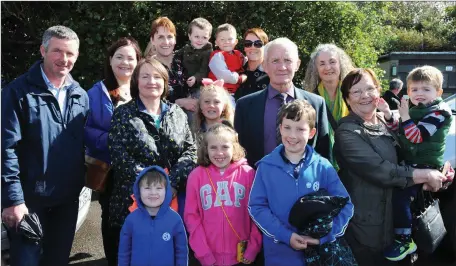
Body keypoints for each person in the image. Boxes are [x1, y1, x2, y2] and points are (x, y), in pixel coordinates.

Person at [334, 68, 450, 266]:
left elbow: (414, 148)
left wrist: (441, 173)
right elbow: (384, 171)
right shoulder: (348, 132)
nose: (365, 96)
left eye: (370, 89)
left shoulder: (384, 120)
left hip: (401, 221)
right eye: (356, 91)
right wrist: (425, 174)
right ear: (346, 98)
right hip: (370, 226)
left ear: (379, 91)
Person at [1, 25, 89, 266]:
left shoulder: (80, 95)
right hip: (29, 203)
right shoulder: (16, 93)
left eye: (70, 53)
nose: (65, 59)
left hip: (66, 202)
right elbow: (5, 149)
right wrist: (13, 200)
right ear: (43, 50)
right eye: (57, 51)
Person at [108, 58, 197, 261]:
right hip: (131, 204)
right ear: (136, 81)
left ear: (165, 81)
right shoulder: (123, 114)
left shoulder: (177, 113)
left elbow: (190, 151)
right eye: (145, 76)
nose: (151, 81)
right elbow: (118, 154)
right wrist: (149, 186)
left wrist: (171, 184)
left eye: (157, 76)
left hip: (173, 202)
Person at [248, 99, 354, 266]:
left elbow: (346, 206)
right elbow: (256, 207)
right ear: (280, 128)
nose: (292, 135)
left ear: (311, 133)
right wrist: (285, 235)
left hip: (320, 256)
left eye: (300, 129)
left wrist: (324, 237)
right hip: (279, 256)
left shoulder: (323, 167)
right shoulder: (265, 167)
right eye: (288, 127)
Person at [377, 66, 453, 261]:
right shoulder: (414, 110)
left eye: (426, 89)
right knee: (406, 199)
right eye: (414, 90)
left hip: (426, 164)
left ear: (438, 92)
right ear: (408, 92)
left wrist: (404, 116)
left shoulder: (439, 113)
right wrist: (387, 112)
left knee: (402, 196)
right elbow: (401, 131)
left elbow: (416, 136)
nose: (419, 94)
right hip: (415, 162)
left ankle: (404, 239)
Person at [84, 36, 141, 266]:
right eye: (119, 57)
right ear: (110, 60)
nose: (125, 62)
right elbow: (85, 128)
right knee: (111, 220)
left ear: (139, 61)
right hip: (111, 170)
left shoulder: (145, 86)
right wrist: (114, 140)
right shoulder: (97, 92)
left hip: (141, 169)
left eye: (131, 57)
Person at [234, 37, 330, 168]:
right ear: (264, 65)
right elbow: (239, 154)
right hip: (259, 183)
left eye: (288, 60)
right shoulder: (245, 106)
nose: (282, 67)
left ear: (297, 65)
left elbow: (323, 154)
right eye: (275, 61)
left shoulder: (316, 104)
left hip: (305, 185)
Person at [184, 122, 262, 266]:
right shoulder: (196, 176)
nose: (219, 153)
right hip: (208, 258)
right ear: (206, 149)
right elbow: (191, 218)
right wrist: (203, 253)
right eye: (213, 147)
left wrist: (253, 248)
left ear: (234, 147)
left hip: (242, 257)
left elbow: (257, 214)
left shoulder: (248, 174)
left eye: (225, 147)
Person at [118, 166, 188, 266]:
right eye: (147, 188)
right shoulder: (131, 220)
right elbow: (124, 252)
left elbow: (181, 253)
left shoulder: (175, 219)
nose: (153, 193)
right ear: (138, 191)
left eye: (159, 188)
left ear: (166, 191)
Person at [303, 43, 355, 167]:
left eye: (332, 62)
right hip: (322, 161)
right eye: (322, 63)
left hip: (352, 160)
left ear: (340, 64)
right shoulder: (310, 99)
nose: (327, 67)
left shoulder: (353, 93)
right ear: (316, 68)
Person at [174, 17, 214, 126]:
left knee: (193, 113)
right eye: (196, 36)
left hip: (199, 87)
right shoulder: (186, 48)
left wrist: (196, 78)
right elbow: (175, 54)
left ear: (209, 37)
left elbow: (204, 70)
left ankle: (195, 135)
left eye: (204, 37)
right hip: (185, 86)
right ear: (189, 35)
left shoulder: (208, 52)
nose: (200, 40)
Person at [208, 23, 247, 106]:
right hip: (219, 91)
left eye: (230, 39)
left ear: (236, 41)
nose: (226, 42)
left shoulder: (238, 54)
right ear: (216, 42)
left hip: (234, 92)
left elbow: (247, 63)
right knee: (231, 112)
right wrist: (239, 79)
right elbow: (224, 75)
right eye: (222, 39)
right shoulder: (217, 56)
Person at [192, 78, 234, 144]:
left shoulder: (232, 130)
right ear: (200, 106)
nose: (211, 105)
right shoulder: (193, 131)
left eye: (216, 102)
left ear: (224, 106)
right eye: (207, 102)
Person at [234, 28, 270, 101]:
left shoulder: (273, 74)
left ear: (265, 47)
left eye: (258, 44)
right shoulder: (236, 72)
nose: (252, 47)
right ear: (244, 48)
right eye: (248, 44)